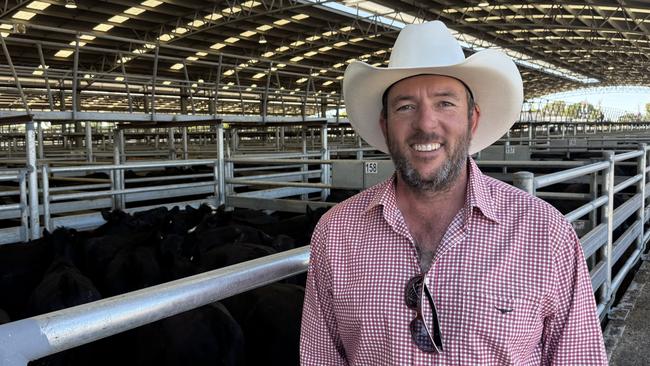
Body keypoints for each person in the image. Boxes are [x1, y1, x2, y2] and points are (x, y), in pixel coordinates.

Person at [300, 21, 607, 365]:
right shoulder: (336, 233)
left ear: (472, 120)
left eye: (445, 103)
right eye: (405, 107)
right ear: (385, 126)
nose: (426, 124)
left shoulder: (544, 232)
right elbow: (320, 357)